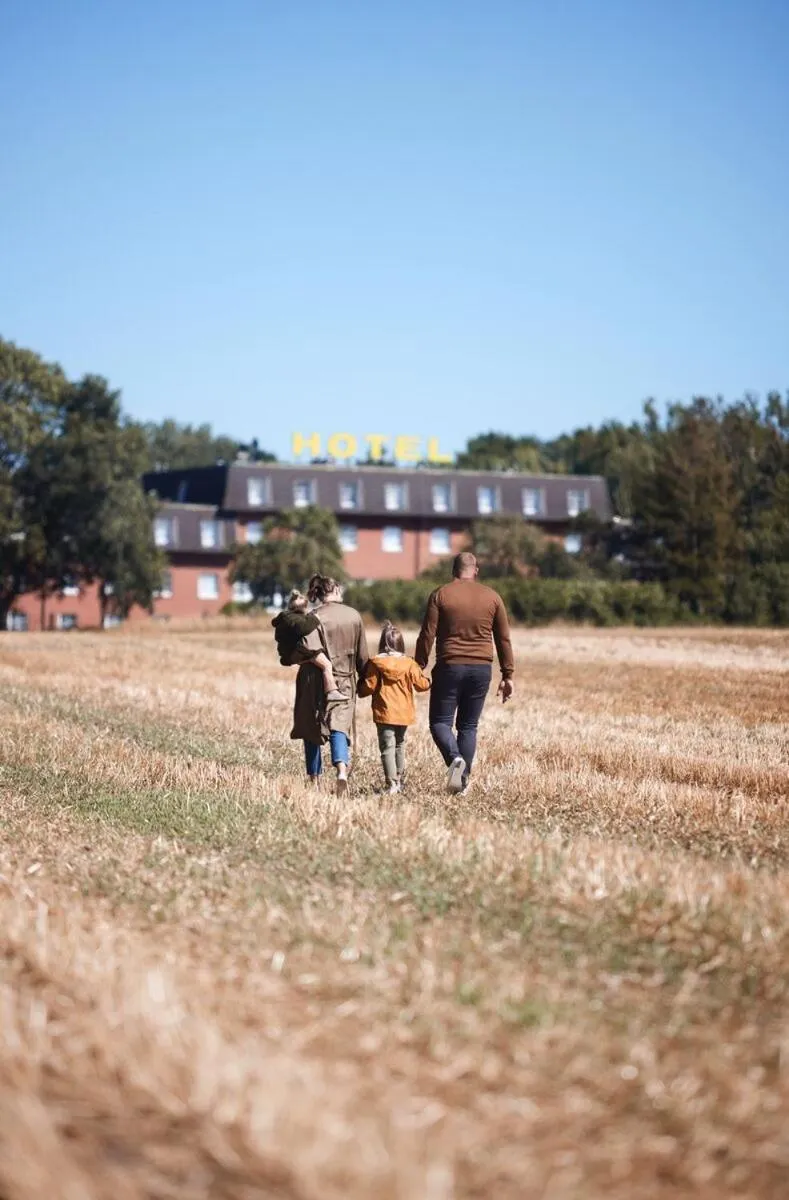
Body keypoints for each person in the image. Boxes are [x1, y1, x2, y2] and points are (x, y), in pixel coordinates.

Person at [415, 551, 514, 794]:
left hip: (449, 666)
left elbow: (427, 633)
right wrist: (507, 674)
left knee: (440, 722)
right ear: (476, 570)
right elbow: (503, 639)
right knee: (468, 726)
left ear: (453, 571)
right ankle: (462, 781)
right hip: (481, 669)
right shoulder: (492, 597)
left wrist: (418, 665)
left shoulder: (441, 594)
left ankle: (455, 760)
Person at [290, 574, 369, 794]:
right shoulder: (353, 615)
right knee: (339, 726)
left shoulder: (311, 617)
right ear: (333, 589)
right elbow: (363, 656)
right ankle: (341, 771)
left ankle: (314, 778)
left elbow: (300, 652)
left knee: (311, 727)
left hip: (312, 679)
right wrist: (365, 679)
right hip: (344, 679)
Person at [358, 620, 431, 794]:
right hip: (404, 714)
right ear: (401, 644)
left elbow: (369, 686)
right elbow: (421, 685)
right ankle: (399, 780)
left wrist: (359, 690)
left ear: (383, 643)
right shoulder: (410, 664)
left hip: (385, 713)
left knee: (387, 748)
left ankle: (391, 784)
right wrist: (429, 681)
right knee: (400, 745)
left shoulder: (376, 663)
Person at [272, 589, 348, 705]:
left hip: (294, 653)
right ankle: (331, 691)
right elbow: (303, 628)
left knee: (319, 663)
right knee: (327, 665)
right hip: (296, 651)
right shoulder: (289, 617)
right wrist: (315, 618)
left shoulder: (289, 617)